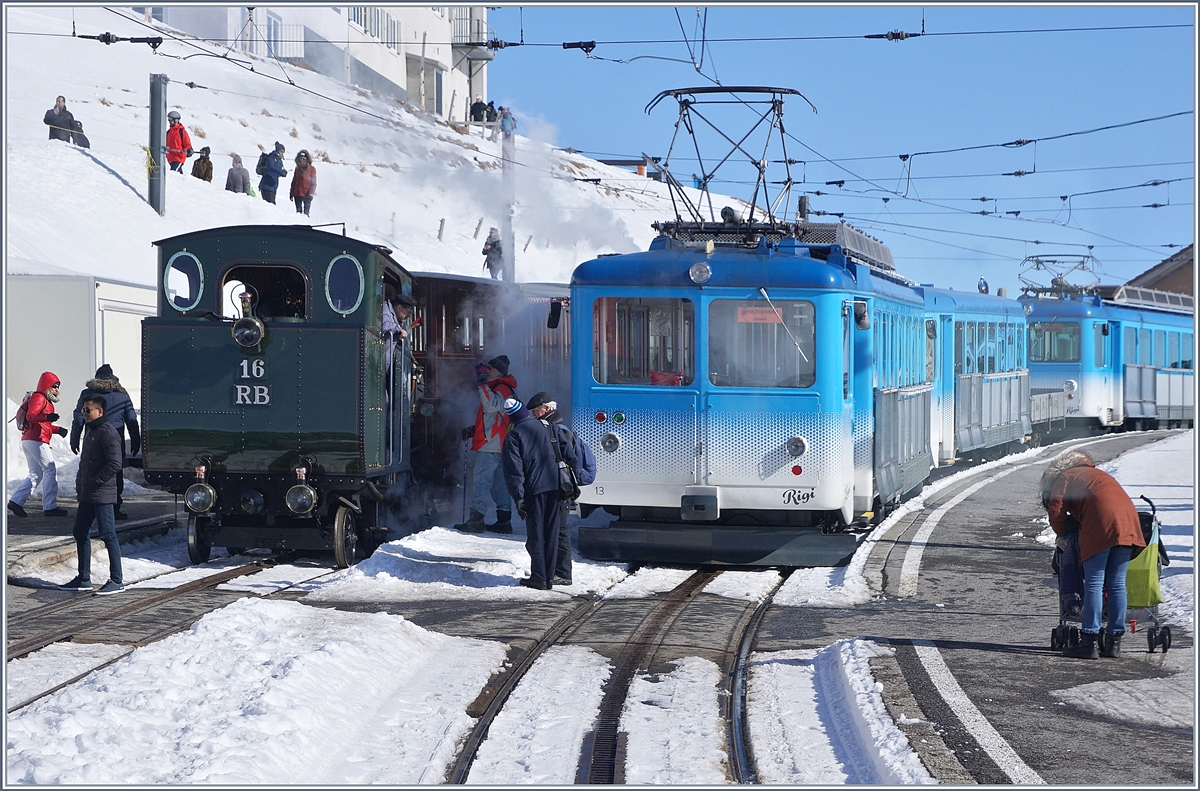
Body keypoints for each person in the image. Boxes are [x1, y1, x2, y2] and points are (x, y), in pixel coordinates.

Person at [1043, 449, 1146, 659]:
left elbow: (1056, 509)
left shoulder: (1065, 476)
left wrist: (1065, 534)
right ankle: (1114, 642)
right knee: (1117, 584)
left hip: (1101, 525)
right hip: (1128, 524)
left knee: (1094, 583)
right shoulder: (1101, 475)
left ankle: (1089, 641)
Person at [502, 398, 572, 590]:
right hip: (557, 487)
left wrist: (519, 498)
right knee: (552, 533)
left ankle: (539, 577)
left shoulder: (514, 436)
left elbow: (514, 472)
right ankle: (550, 576)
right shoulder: (550, 426)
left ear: (512, 418)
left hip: (534, 490)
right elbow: (569, 454)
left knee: (536, 534)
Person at [527, 391, 595, 586]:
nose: (533, 414)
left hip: (560, 487)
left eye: (536, 410)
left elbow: (567, 459)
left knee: (560, 531)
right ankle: (559, 572)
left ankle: (562, 573)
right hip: (561, 486)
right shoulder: (558, 428)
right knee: (559, 530)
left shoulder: (557, 430)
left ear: (547, 409)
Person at [60, 395, 125, 595]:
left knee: (108, 535)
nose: (85, 414)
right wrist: (82, 484)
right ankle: (84, 577)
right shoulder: (91, 431)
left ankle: (117, 580)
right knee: (80, 531)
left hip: (102, 493)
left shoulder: (108, 433)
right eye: (83, 411)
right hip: (88, 494)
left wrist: (96, 482)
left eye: (88, 410)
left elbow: (115, 464)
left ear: (100, 411)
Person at [455, 355, 517, 533]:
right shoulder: (504, 388)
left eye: (490, 368)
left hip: (491, 444)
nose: (487, 370)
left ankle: (476, 520)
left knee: (482, 481)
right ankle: (504, 521)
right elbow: (495, 417)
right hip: (499, 443)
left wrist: (481, 383)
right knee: (500, 484)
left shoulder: (501, 387)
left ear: (499, 371)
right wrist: (475, 430)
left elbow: (490, 406)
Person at [70, 364, 141, 521]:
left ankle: (90, 506)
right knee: (114, 472)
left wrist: (74, 438)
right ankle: (114, 508)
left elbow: (79, 417)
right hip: (115, 439)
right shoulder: (122, 395)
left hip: (92, 439)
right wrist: (136, 441)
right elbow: (131, 419)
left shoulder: (87, 393)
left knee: (90, 469)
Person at [8, 372, 69, 518]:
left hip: (30, 439)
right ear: (46, 385)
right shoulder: (39, 397)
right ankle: (50, 506)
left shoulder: (43, 399)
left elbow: (41, 423)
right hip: (36, 440)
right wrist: (48, 417)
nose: (56, 389)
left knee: (36, 474)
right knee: (49, 469)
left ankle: (16, 501)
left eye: (58, 387)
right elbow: (31, 416)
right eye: (54, 386)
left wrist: (57, 429)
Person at [290, 149, 317, 216]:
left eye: (303, 159)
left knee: (306, 214)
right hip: (297, 193)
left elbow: (313, 183)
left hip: (307, 194)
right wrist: (291, 192)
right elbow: (294, 181)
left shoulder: (311, 169)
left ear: (307, 159)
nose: (301, 161)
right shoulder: (297, 169)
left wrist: (311, 193)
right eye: (300, 159)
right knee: (298, 212)